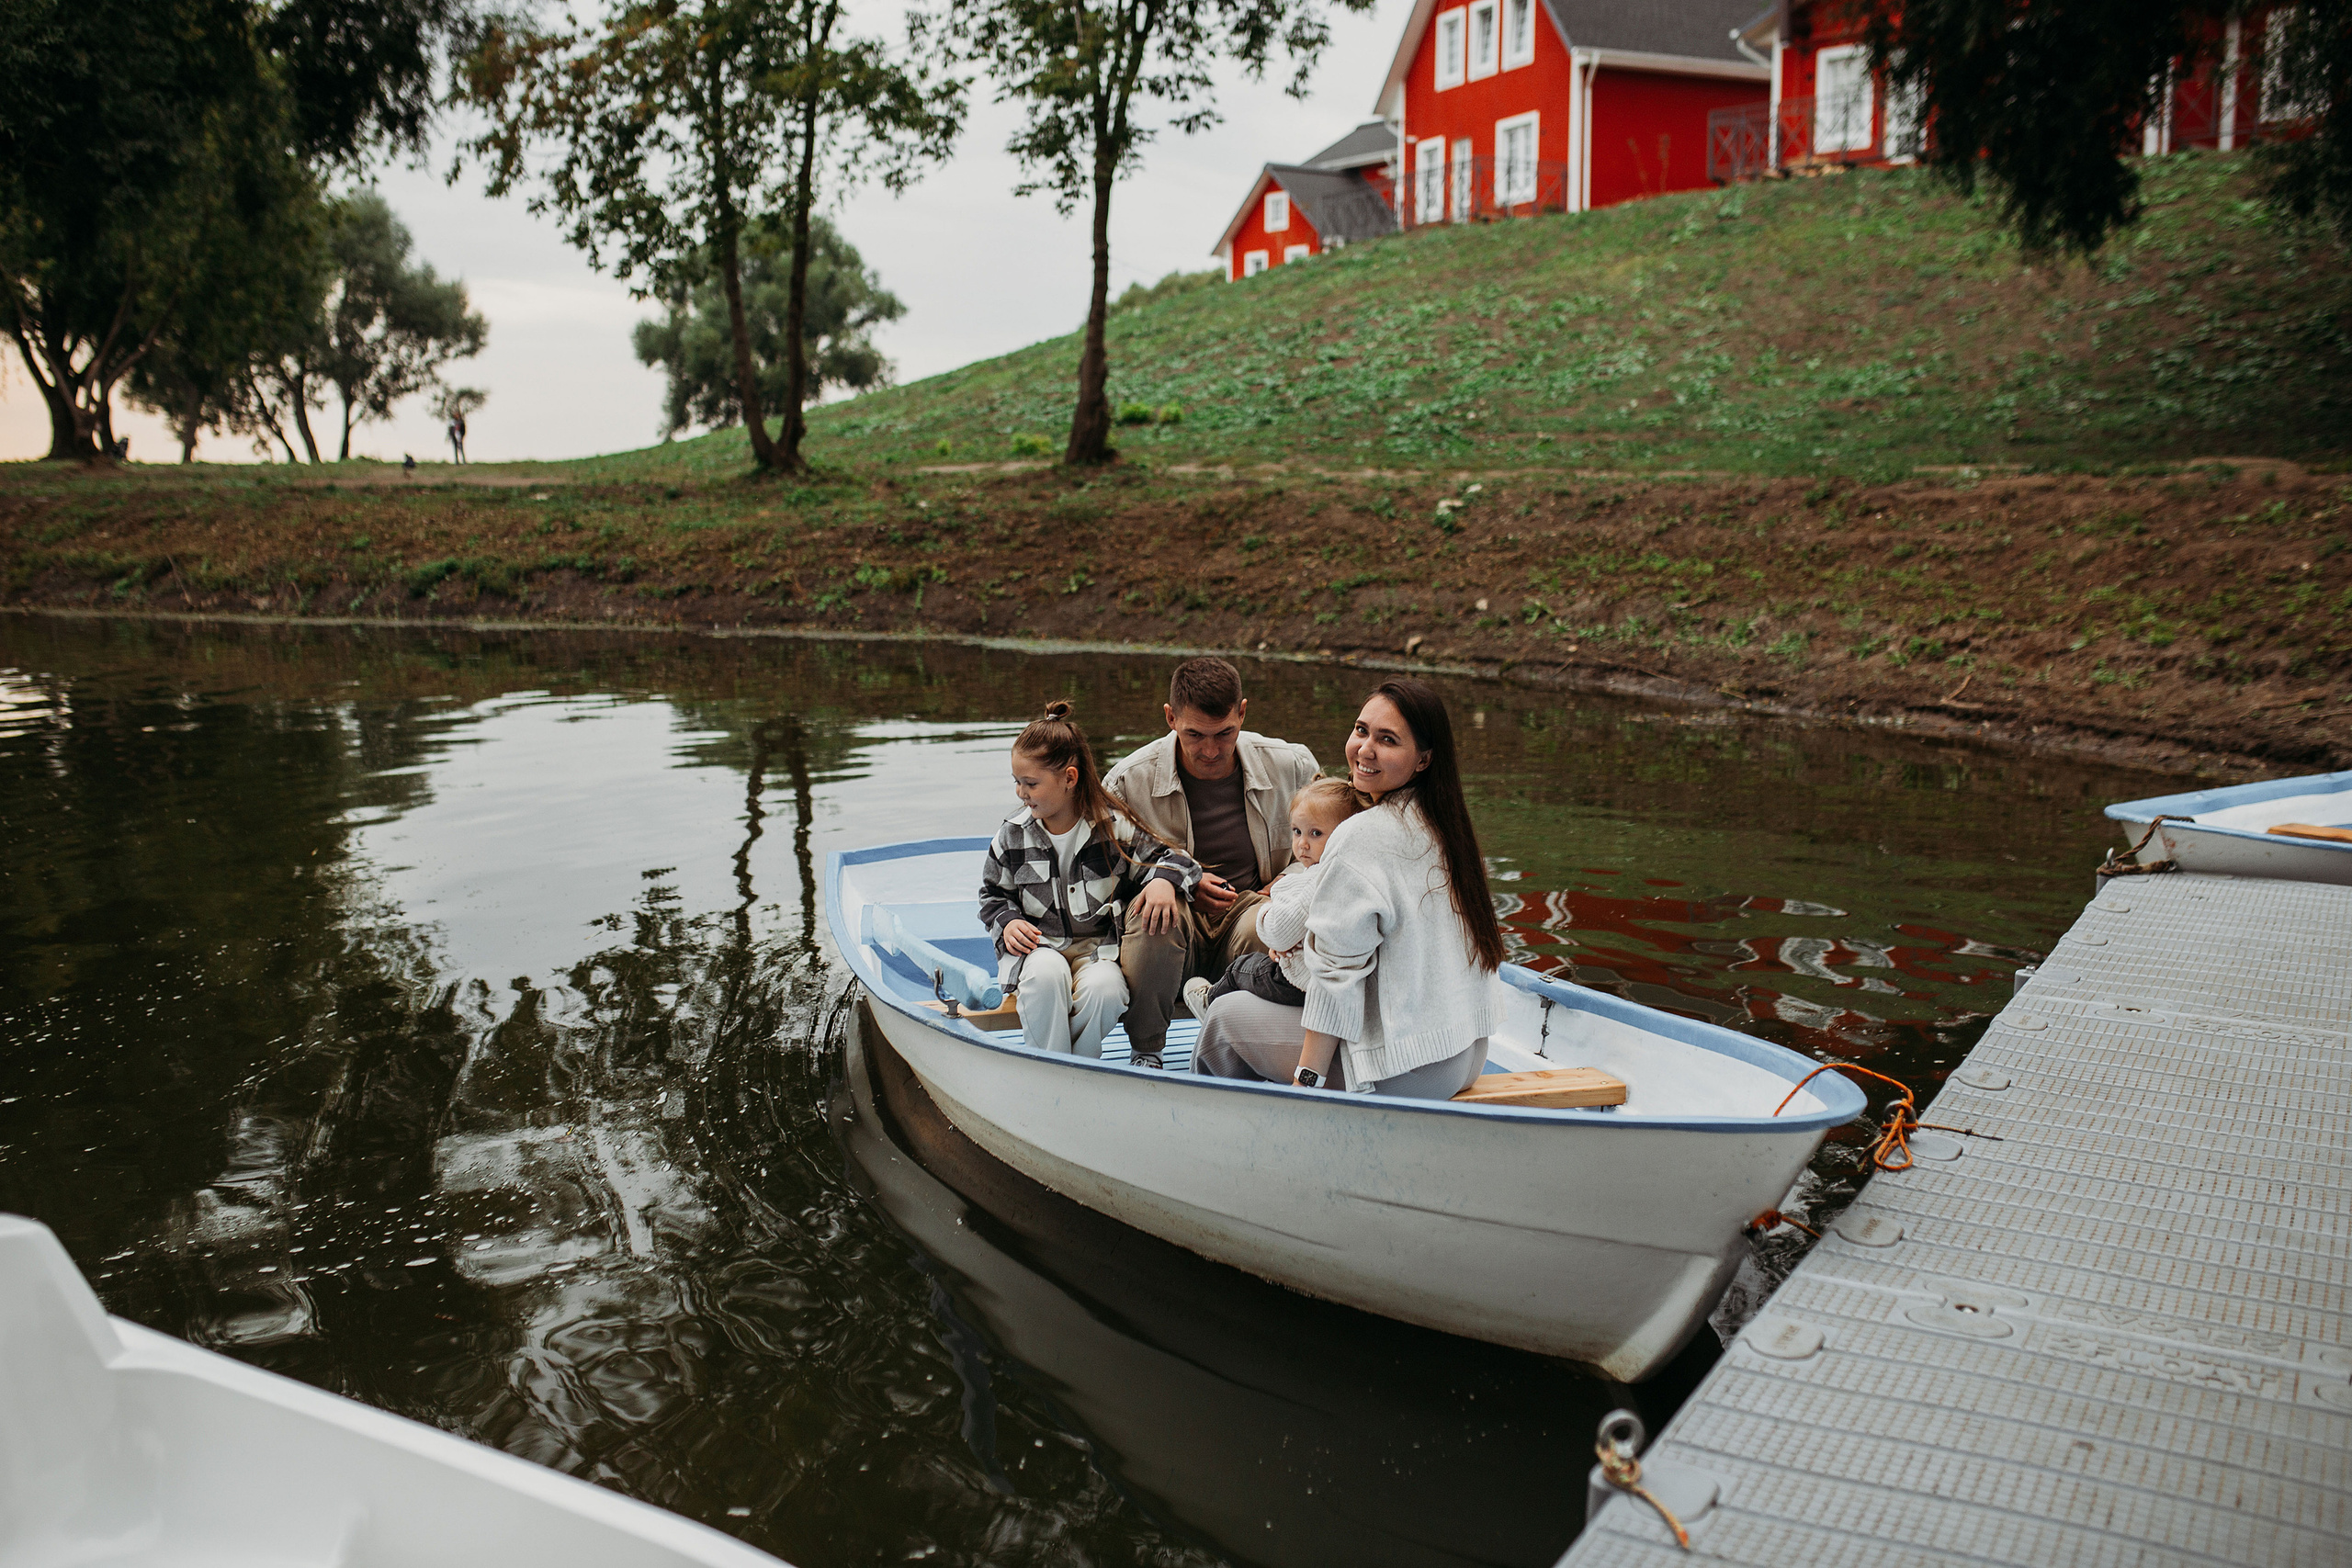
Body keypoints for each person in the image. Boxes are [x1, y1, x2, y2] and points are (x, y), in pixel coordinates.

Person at [1192, 678, 1505, 1099]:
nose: (1365, 750)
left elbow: (1337, 975)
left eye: (1388, 740)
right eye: (1361, 731)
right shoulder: (1447, 826)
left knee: (1223, 1018)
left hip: (1406, 1068)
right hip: (1465, 1053)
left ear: (1424, 759)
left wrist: (1309, 1080)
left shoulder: (1360, 836)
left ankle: (1225, 1135)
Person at [1102, 657, 1322, 1066]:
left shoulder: (1293, 766)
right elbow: (1102, 875)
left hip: (1250, 906)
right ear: (1170, 718)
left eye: (1224, 733)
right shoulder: (1126, 781)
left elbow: (1332, 846)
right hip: (1173, 913)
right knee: (1153, 917)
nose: (1210, 750)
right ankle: (1146, 1052)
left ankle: (1251, 1046)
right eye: (1194, 734)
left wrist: (1290, 881)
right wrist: (1172, 880)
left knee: (1278, 926)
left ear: (1242, 712)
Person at [979, 702, 1202, 1061]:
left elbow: (1180, 860)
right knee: (1046, 977)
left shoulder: (1113, 828)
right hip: (1039, 949)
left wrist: (1163, 882)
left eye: (1031, 783)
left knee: (1106, 990)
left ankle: (1079, 1069)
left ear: (1069, 778)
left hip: (1098, 952)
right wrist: (1007, 921)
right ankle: (1052, 1068)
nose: (1021, 793)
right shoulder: (1011, 835)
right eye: (1017, 782)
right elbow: (992, 894)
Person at [1182, 776, 1363, 1015]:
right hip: (1335, 977)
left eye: (1316, 833)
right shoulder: (1355, 870)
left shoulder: (1318, 879)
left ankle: (1209, 1001)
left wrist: (1267, 910)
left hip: (1300, 984)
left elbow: (1279, 932)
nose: (1302, 844)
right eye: (1297, 831)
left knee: (1242, 968)